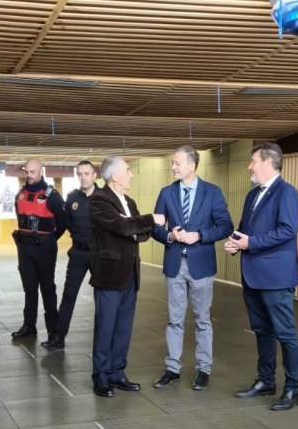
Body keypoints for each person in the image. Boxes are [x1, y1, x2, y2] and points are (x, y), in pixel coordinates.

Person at [224, 142, 298, 411]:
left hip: (277, 277)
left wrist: (250, 243)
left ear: (269, 162)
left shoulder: (286, 193)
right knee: (262, 332)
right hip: (253, 276)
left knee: (285, 333)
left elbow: (287, 230)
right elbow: (245, 230)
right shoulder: (252, 195)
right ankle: (266, 380)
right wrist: (235, 243)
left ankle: (293, 388)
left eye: (253, 161)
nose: (250, 166)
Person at [151, 146, 234, 390]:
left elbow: (225, 226)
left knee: (202, 320)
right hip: (175, 265)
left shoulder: (212, 192)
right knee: (174, 320)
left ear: (192, 165)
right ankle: (172, 369)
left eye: (177, 163)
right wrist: (170, 236)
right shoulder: (166, 193)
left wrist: (200, 235)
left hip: (201, 265)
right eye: (172, 163)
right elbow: (155, 227)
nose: (173, 167)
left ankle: (203, 370)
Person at [89, 156, 166, 396]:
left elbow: (140, 233)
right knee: (106, 326)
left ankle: (117, 372)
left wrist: (133, 224)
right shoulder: (99, 200)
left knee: (123, 326)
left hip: (131, 272)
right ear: (115, 176)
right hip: (110, 274)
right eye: (128, 171)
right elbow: (126, 227)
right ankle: (101, 376)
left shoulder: (129, 202)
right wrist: (149, 219)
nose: (132, 175)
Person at [42, 160, 97, 351]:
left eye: (86, 174)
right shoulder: (72, 197)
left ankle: (102, 339)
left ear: (94, 175)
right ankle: (58, 337)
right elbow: (67, 223)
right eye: (80, 174)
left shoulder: (105, 198)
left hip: (99, 254)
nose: (83, 177)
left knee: (103, 298)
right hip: (78, 253)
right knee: (69, 295)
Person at [11, 159, 67, 341]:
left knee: (47, 289)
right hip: (24, 248)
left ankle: (53, 329)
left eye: (32, 172)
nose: (29, 175)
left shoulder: (52, 196)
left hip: (45, 247)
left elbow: (63, 222)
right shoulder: (20, 194)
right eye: (27, 171)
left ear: (41, 172)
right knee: (29, 289)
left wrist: (49, 239)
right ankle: (29, 325)